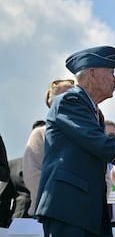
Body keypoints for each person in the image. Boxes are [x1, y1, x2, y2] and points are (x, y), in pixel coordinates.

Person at [34, 45, 115, 236]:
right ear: (92, 73)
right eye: (111, 72)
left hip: (86, 210)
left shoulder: (94, 112)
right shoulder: (69, 100)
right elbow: (96, 141)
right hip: (69, 207)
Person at [23, 79, 74, 216]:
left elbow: (103, 175)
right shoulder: (40, 134)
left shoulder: (88, 133)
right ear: (52, 103)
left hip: (85, 215)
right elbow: (32, 175)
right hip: (50, 213)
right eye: (65, 97)